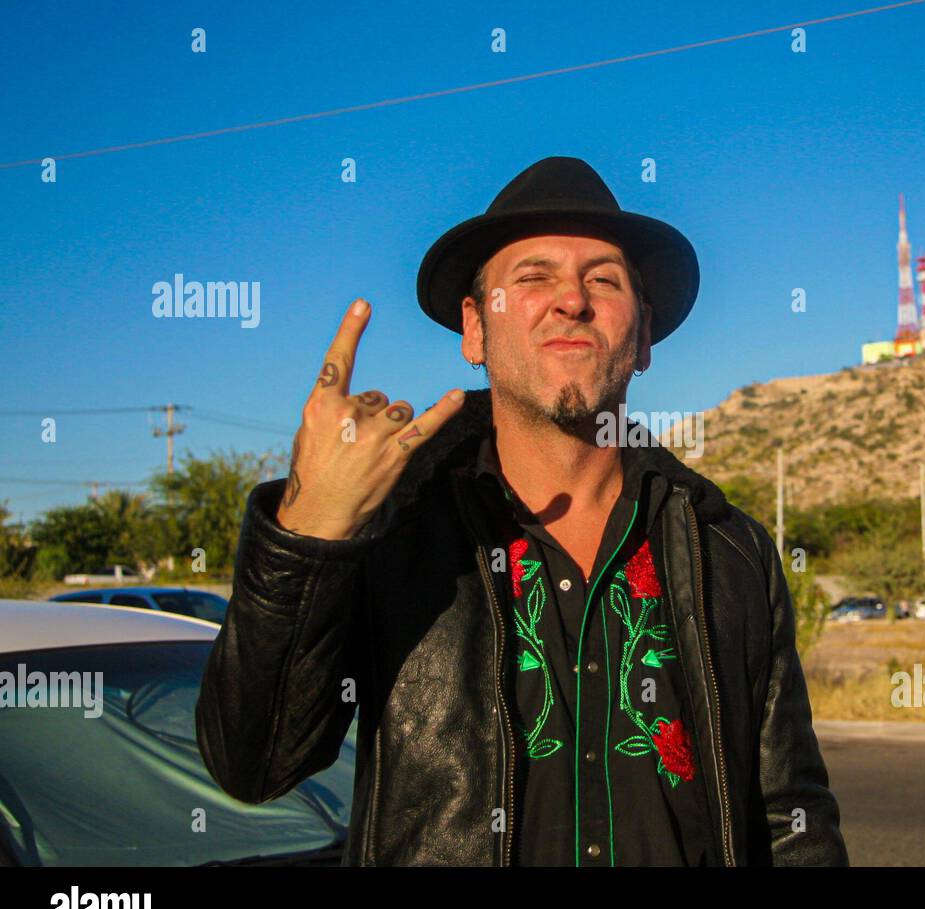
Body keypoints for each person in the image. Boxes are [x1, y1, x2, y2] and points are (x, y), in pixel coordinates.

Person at [195, 156, 849, 866]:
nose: (572, 300)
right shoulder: (395, 533)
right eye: (532, 278)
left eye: (603, 278)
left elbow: (791, 815)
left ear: (645, 336)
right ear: (474, 329)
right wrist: (308, 533)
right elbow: (252, 765)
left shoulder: (730, 549)